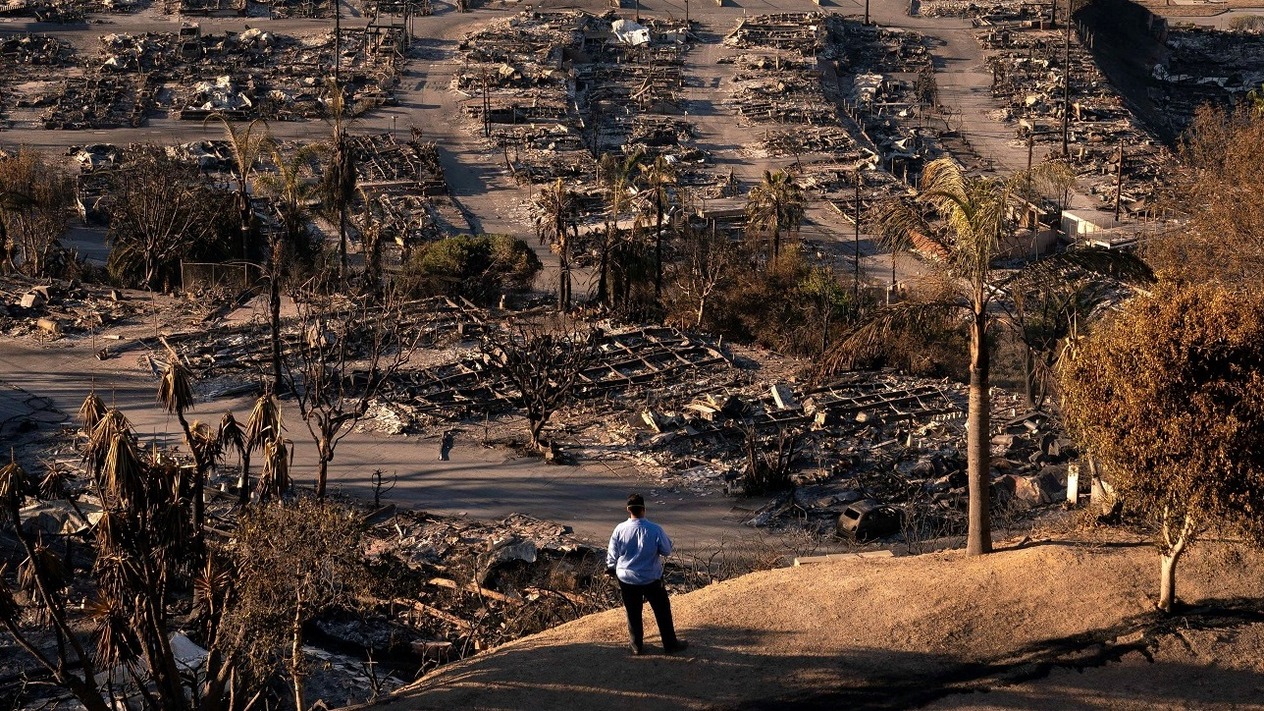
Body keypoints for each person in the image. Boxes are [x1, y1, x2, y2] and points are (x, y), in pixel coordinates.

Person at [606, 493, 688, 656]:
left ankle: (636, 645)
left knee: (633, 612)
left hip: (627, 578)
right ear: (644, 509)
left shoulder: (620, 529)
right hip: (651, 578)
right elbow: (666, 551)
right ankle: (670, 644)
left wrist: (610, 567)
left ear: (628, 510)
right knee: (662, 611)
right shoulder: (655, 529)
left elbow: (612, 553)